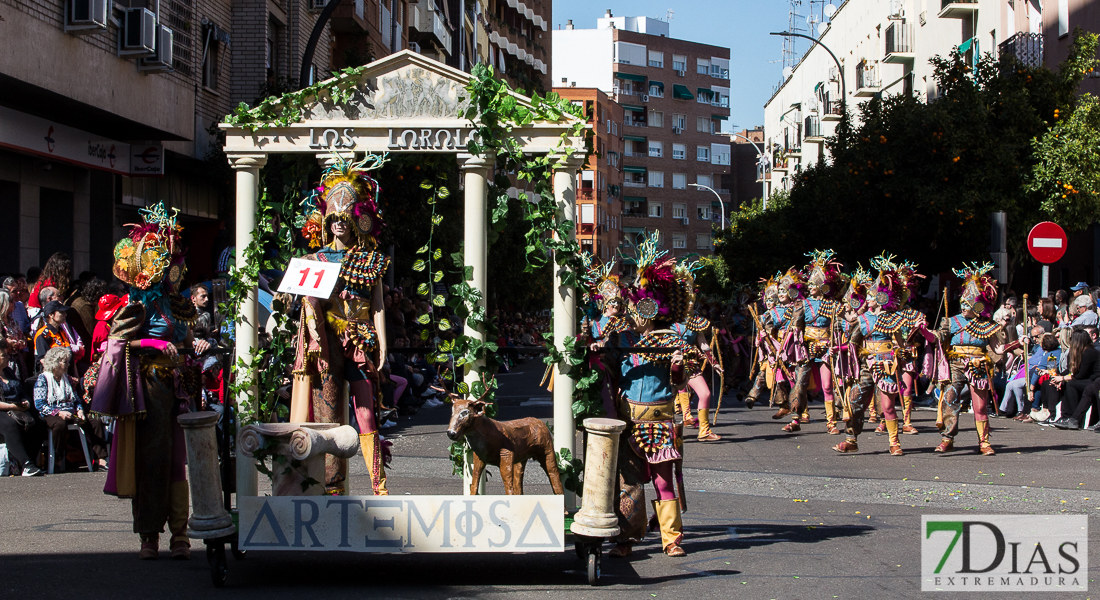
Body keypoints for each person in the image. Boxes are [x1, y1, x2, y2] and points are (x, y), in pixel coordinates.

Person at [90, 203, 201, 560]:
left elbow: (184, 342)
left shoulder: (178, 304)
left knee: (178, 461)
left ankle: (180, 534)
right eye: (169, 262)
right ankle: (149, 535)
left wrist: (195, 345)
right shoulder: (135, 303)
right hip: (149, 387)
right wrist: (153, 343)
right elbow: (119, 343)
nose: (174, 268)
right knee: (153, 459)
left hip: (178, 388)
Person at [291, 155, 390, 495]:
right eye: (333, 219)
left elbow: (377, 306)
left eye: (345, 219)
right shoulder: (315, 260)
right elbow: (307, 305)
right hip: (328, 344)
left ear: (356, 220)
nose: (339, 225)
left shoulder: (371, 259)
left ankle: (380, 487)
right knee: (328, 416)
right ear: (326, 220)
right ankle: (331, 488)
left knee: (365, 414)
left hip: (361, 341)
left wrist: (384, 345)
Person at [616, 232, 693, 557]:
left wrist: (677, 365)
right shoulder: (620, 339)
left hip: (661, 422)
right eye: (636, 307)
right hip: (629, 421)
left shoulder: (669, 340)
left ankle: (671, 539)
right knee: (630, 485)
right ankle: (627, 538)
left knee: (663, 483)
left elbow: (678, 380)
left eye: (644, 308)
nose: (639, 314)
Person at [833, 256, 909, 455]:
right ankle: (851, 439)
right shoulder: (862, 319)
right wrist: (842, 352)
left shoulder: (894, 319)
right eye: (867, 296)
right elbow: (853, 343)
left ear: (881, 298)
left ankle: (894, 442)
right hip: (867, 365)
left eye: (871, 296)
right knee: (855, 401)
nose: (867, 300)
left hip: (887, 365)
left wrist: (903, 351)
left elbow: (901, 344)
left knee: (887, 406)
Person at [934, 263, 1008, 456]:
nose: (965, 306)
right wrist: (925, 331)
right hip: (956, 363)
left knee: (980, 405)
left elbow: (997, 349)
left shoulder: (988, 325)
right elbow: (937, 339)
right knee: (950, 399)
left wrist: (1012, 345)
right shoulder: (950, 322)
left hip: (979, 365)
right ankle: (947, 438)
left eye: (970, 303)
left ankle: (984, 442)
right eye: (964, 302)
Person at [34, 346, 108, 470]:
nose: (68, 364)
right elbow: (40, 404)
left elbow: (76, 399)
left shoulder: (67, 379)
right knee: (60, 425)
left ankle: (101, 460)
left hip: (70, 412)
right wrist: (58, 412)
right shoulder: (43, 379)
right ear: (55, 362)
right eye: (65, 361)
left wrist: (79, 410)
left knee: (94, 420)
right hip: (52, 413)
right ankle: (57, 461)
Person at [0, 339, 44, 476]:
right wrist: (11, 406)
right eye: (4, 355)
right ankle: (26, 464)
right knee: (10, 424)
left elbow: (21, 392)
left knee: (40, 422)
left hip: (16, 408)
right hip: (2, 409)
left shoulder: (8, 372)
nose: (8, 357)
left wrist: (25, 401)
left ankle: (30, 461)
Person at [1045, 330, 1100, 429]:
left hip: (1093, 380)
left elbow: (1081, 374)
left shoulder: (1090, 352)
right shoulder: (1076, 352)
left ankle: (1071, 417)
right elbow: (1070, 370)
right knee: (1051, 383)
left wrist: (1062, 378)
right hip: (1084, 379)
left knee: (1071, 384)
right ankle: (1060, 416)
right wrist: (1058, 377)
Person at [33, 300, 85, 371]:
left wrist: (75, 375)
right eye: (61, 312)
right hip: (53, 376)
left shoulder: (61, 331)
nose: (65, 314)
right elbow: (43, 360)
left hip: (67, 375)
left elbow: (70, 357)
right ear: (51, 315)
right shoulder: (43, 334)